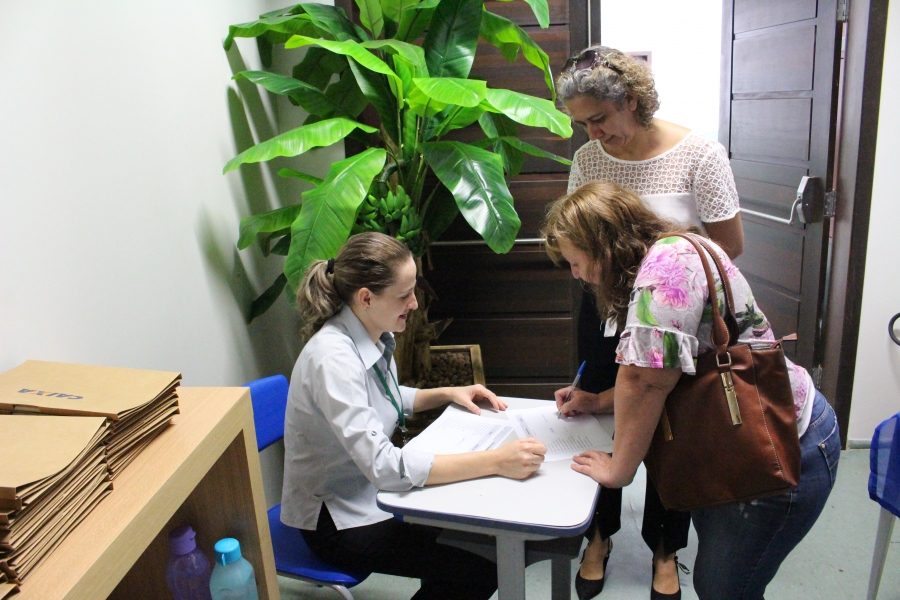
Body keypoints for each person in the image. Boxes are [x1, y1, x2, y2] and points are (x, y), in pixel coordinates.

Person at [542, 182, 839, 600]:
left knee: (724, 589)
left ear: (604, 245)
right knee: (717, 581)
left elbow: (645, 381)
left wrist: (618, 471)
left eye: (576, 262)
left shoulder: (664, 271)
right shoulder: (675, 247)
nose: (575, 274)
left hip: (783, 443)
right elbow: (669, 371)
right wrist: (596, 401)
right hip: (745, 432)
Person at [555, 45, 745, 599]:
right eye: (582, 124)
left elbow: (729, 247)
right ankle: (597, 537)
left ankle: (666, 548)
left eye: (599, 119)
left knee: (670, 423)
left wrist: (660, 283)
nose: (592, 134)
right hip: (604, 310)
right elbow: (579, 236)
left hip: (676, 321)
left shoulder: (700, 155)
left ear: (632, 101)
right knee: (596, 415)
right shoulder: (589, 160)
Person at [280, 232, 548, 600]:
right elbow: (386, 468)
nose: (415, 303)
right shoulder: (333, 359)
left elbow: (384, 396)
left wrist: (447, 393)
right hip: (338, 521)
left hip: (369, 495)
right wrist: (496, 461)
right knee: (479, 566)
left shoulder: (369, 331)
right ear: (366, 298)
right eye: (404, 295)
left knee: (479, 542)